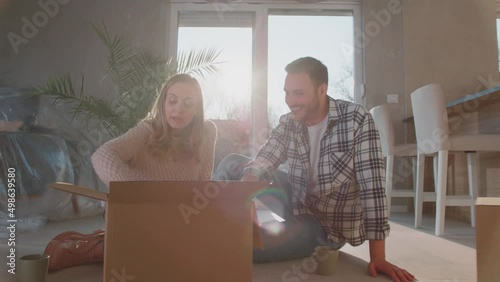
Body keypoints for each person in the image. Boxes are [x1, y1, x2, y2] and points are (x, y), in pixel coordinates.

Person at [212, 57, 415, 282]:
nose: (290, 101)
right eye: (286, 92)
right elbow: (265, 159)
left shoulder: (357, 120)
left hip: (324, 227)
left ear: (322, 89)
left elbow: (373, 189)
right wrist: (246, 193)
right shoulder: (289, 122)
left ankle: (226, 237)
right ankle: (208, 223)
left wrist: (378, 257)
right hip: (296, 199)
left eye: (298, 93)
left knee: (247, 248)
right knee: (232, 163)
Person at [43, 73, 217, 271]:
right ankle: (93, 248)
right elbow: (102, 156)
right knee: (142, 262)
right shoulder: (147, 130)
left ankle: (106, 240)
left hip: (173, 216)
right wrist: (133, 192)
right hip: (132, 211)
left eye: (188, 103)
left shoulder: (207, 133)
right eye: (172, 101)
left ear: (197, 108)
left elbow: (204, 181)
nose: (178, 109)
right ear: (163, 103)